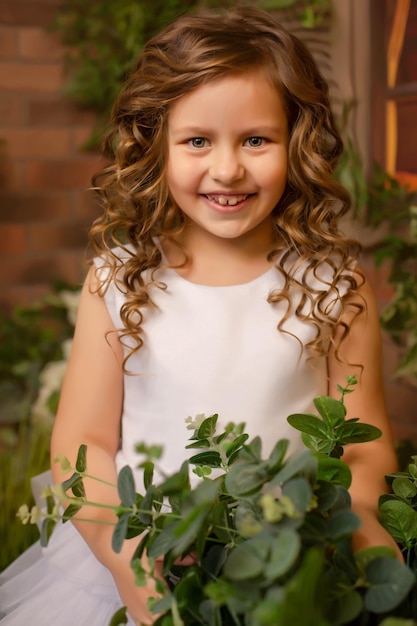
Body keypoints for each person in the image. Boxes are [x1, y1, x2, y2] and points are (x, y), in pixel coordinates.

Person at [0, 6, 400, 625]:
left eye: (256, 139)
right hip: (140, 563)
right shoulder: (119, 280)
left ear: (297, 143)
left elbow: (363, 449)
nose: (227, 168)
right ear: (154, 145)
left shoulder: (333, 289)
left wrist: (362, 539)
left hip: (289, 565)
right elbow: (81, 447)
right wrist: (126, 560)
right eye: (196, 141)